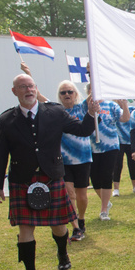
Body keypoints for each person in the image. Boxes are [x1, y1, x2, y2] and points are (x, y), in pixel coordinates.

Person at [0, 74, 96, 270]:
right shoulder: (7, 120)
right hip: (22, 179)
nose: (28, 90)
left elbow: (83, 130)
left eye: (31, 86)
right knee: (25, 227)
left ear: (36, 88)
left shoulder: (55, 112)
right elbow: (0, 154)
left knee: (58, 225)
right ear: (15, 92)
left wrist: (91, 114)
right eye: (23, 87)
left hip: (51, 176)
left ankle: (63, 255)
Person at [57, 80, 93, 241]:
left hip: (83, 157)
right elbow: (39, 98)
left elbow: (96, 95)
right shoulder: (57, 112)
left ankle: (81, 218)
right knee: (69, 194)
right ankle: (76, 228)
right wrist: (28, 75)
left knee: (81, 195)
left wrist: (92, 73)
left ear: (76, 94)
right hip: (64, 160)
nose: (66, 95)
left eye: (69, 92)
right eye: (63, 92)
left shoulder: (83, 107)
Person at [89, 97, 130, 221]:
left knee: (106, 177)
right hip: (91, 147)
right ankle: (105, 201)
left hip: (110, 146)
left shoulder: (111, 105)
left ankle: (103, 210)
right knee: (94, 179)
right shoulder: (86, 105)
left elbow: (125, 118)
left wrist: (125, 105)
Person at [113, 99, 135, 195]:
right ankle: (116, 189)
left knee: (132, 164)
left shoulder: (132, 109)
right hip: (119, 141)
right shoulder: (115, 110)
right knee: (117, 165)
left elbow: (129, 117)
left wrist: (125, 104)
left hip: (130, 141)